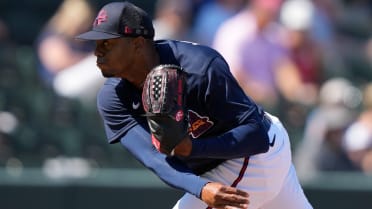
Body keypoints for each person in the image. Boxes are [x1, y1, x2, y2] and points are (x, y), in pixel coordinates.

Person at [76, 1, 313, 209]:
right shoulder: (113, 98)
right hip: (220, 168)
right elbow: (154, 157)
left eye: (107, 43)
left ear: (138, 43)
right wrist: (201, 187)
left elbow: (256, 136)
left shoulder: (200, 67)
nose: (97, 52)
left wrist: (193, 150)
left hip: (253, 156)